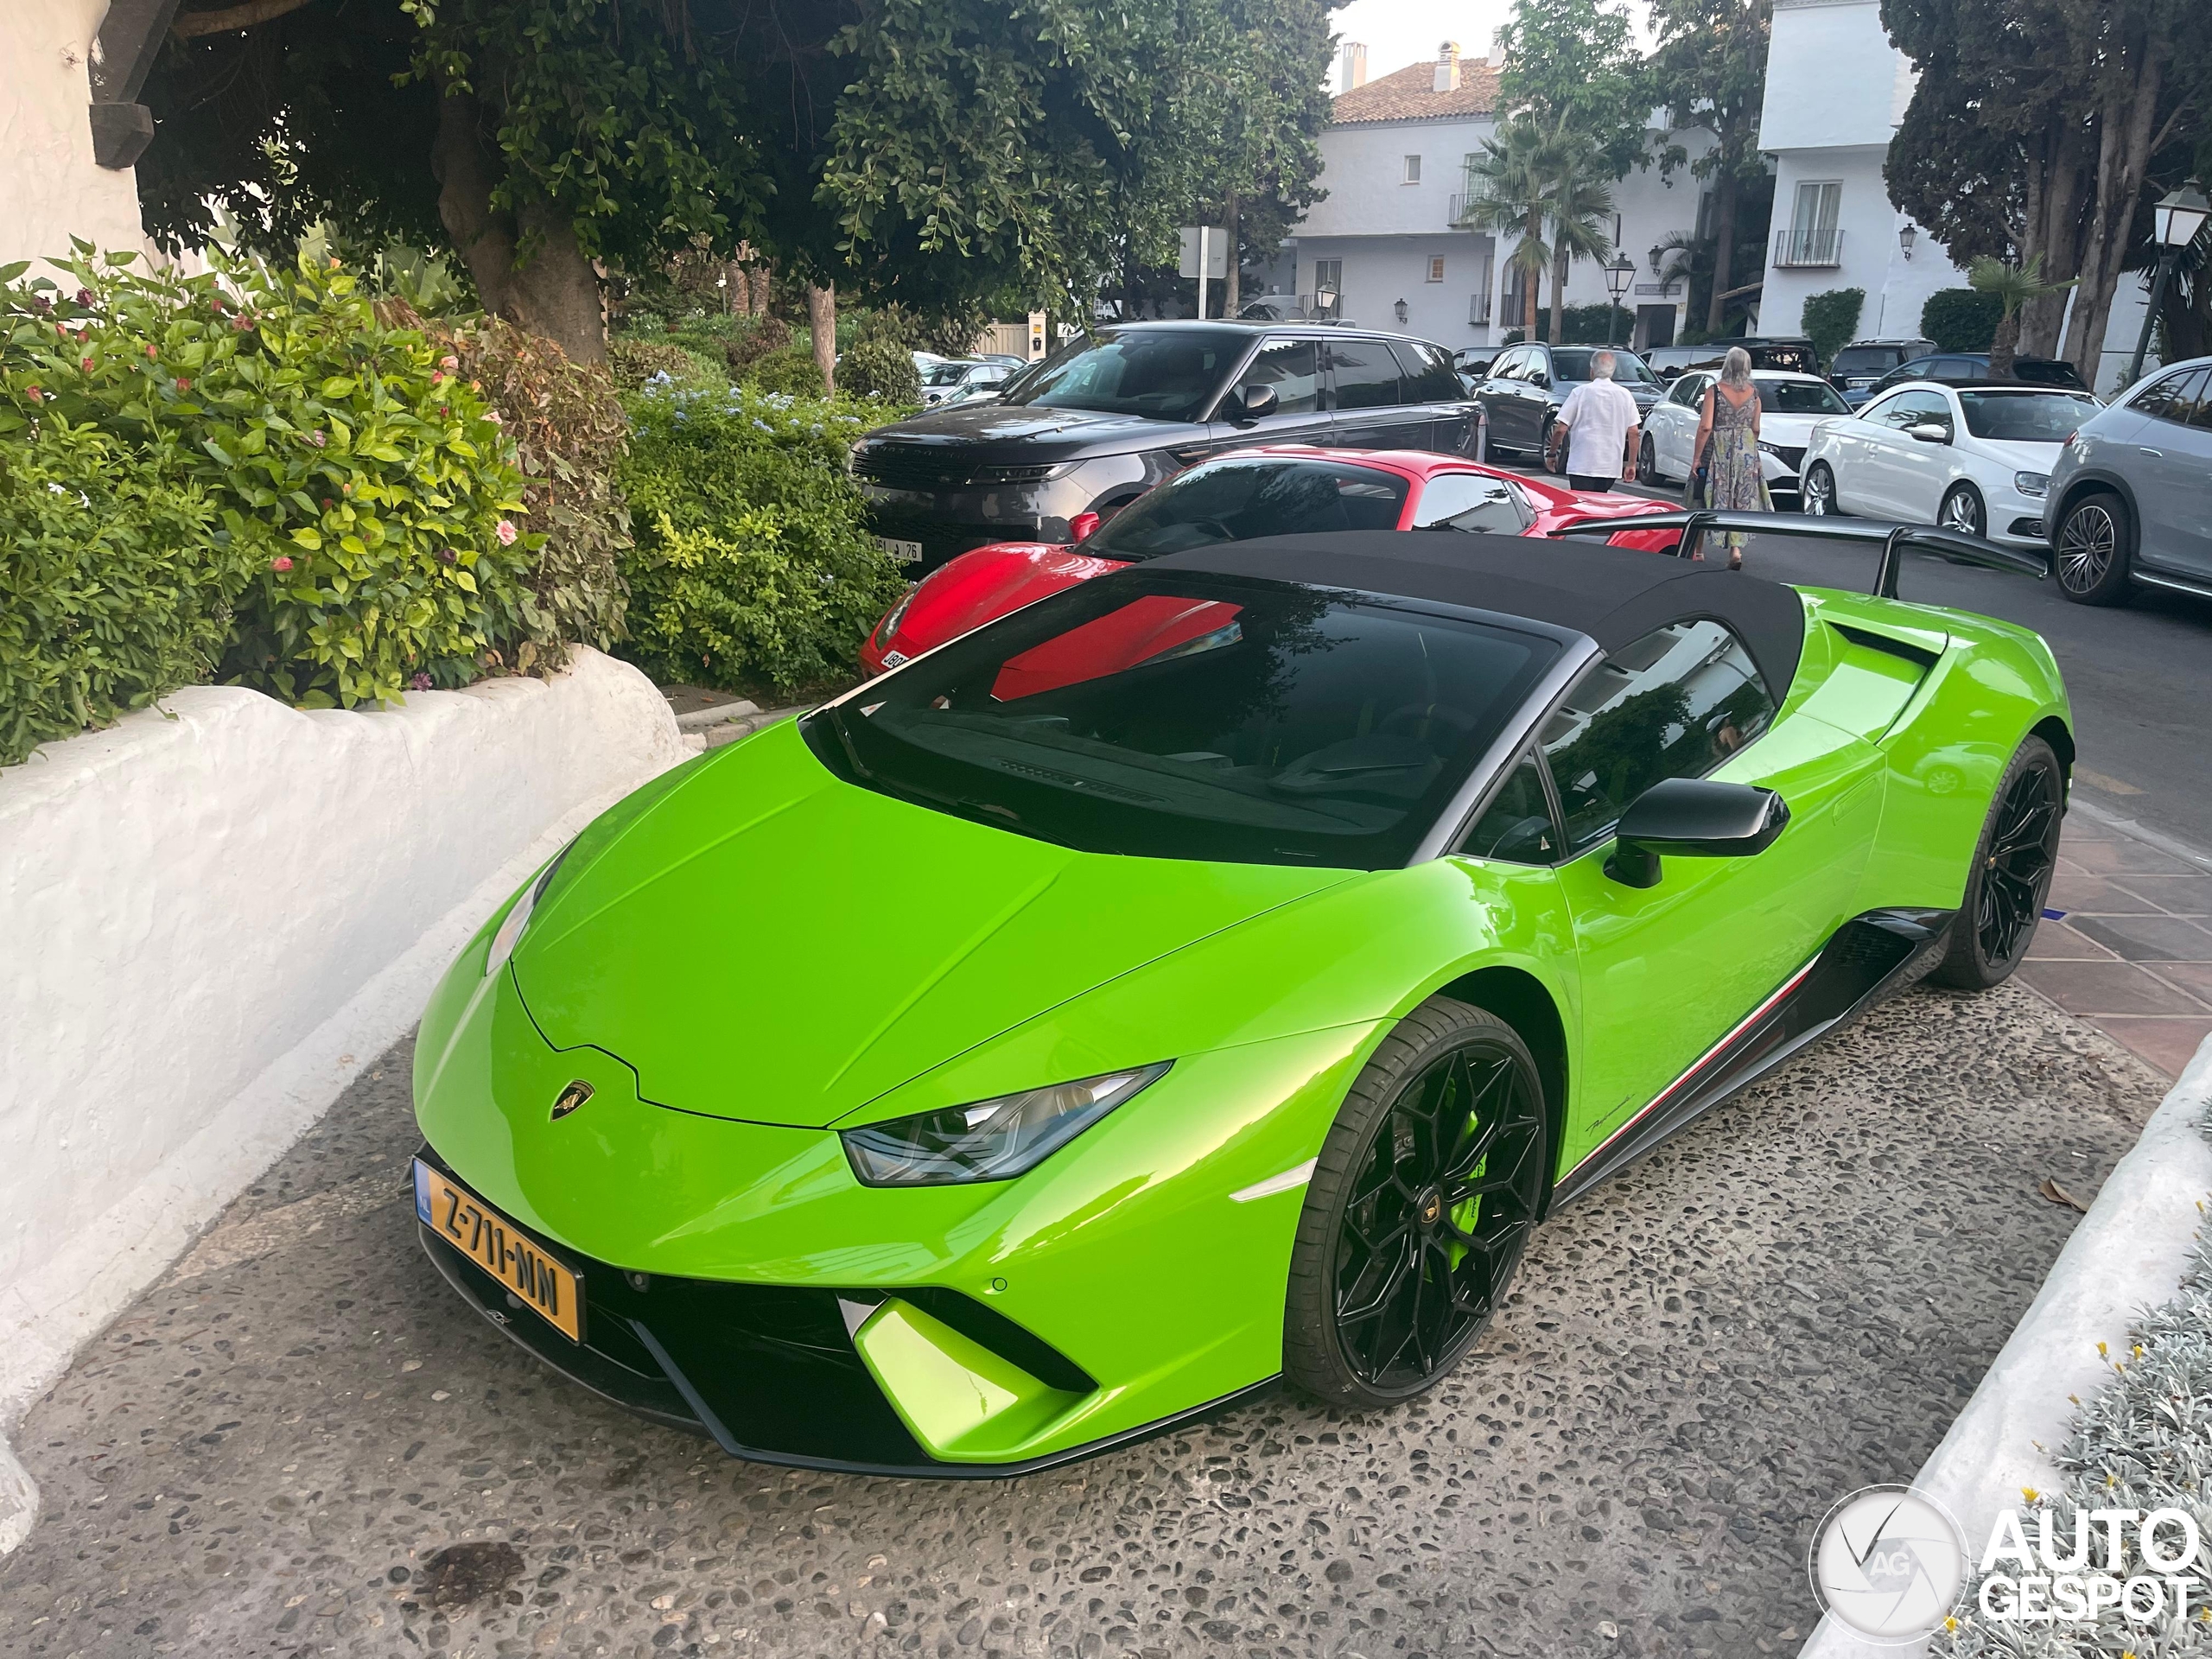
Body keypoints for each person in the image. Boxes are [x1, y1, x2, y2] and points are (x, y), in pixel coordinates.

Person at [1691, 346, 1769, 569]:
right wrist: (1747, 449)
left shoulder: (1714, 391)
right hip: (1744, 452)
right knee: (1738, 500)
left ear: (1727, 365)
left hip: (1717, 448)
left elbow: (1706, 426)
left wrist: (1697, 458)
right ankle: (1735, 549)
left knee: (1703, 497)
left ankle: (1698, 551)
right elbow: (1755, 428)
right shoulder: (1754, 394)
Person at [1554, 350, 1641, 494]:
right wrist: (1631, 464)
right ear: (1613, 371)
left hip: (1581, 465)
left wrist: (1552, 454)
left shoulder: (1579, 392)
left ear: (1592, 370)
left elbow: (1560, 429)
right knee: (1600, 504)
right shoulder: (1625, 395)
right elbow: (1634, 432)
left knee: (1582, 506)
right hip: (1610, 467)